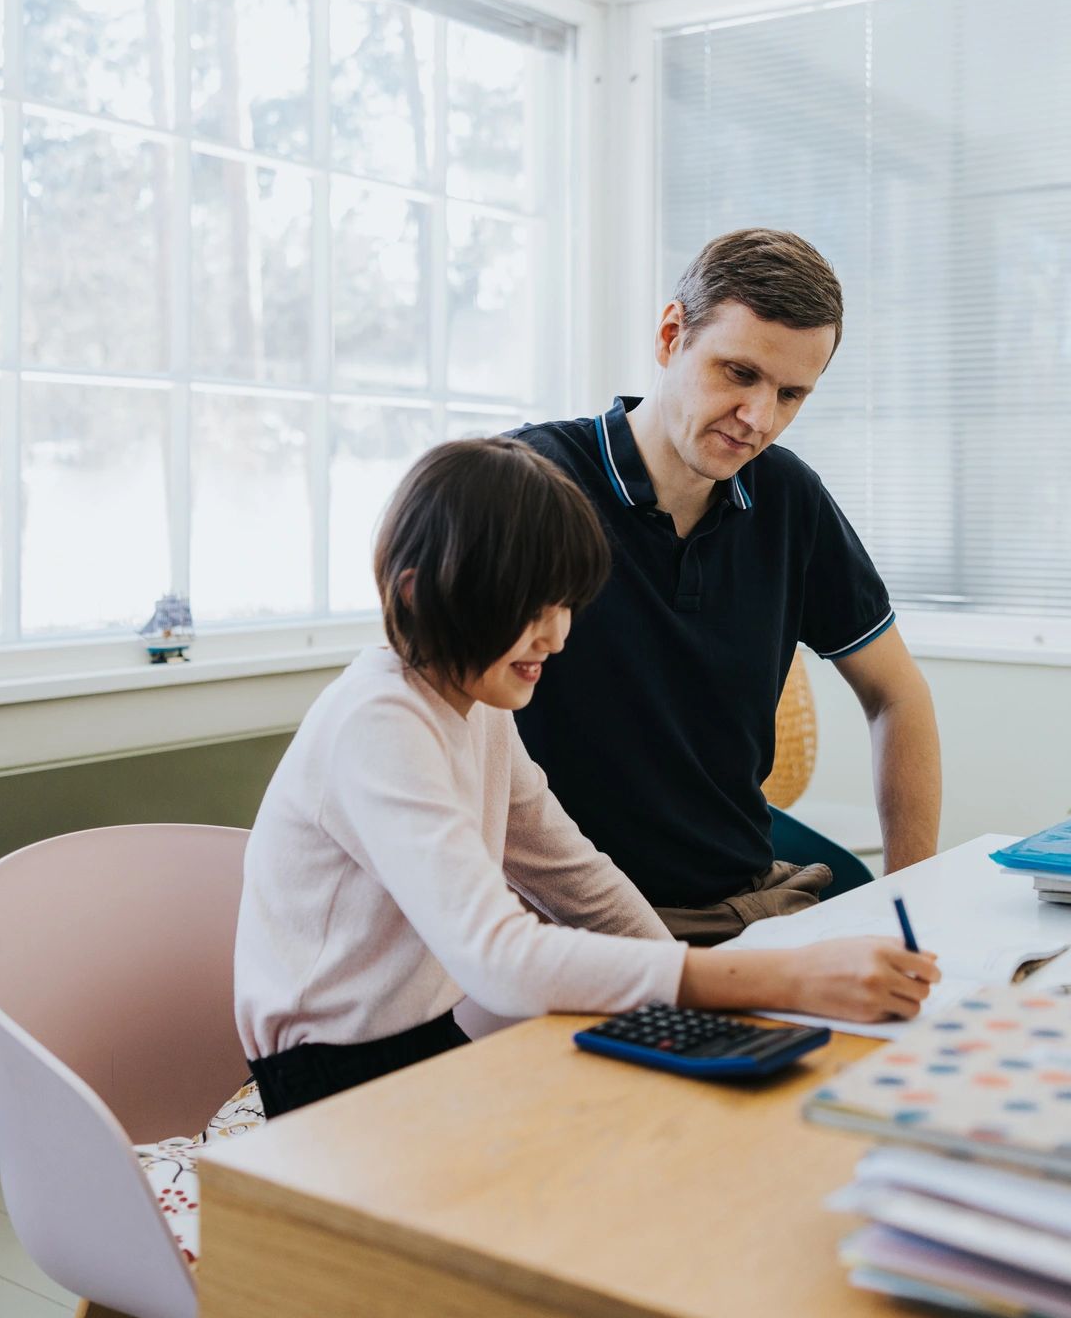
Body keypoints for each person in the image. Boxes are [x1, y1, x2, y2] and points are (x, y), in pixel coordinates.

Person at [232, 437, 940, 1117]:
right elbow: (498, 957)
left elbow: (576, 878)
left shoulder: (474, 708)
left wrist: (698, 1007)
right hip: (326, 1077)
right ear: (420, 596)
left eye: (565, 605)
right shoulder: (379, 721)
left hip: (420, 1042)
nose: (558, 635)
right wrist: (783, 977)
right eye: (531, 610)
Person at [513, 229, 943, 945]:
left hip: (744, 907)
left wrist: (912, 906)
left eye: (791, 394)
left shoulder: (789, 500)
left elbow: (898, 694)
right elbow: (442, 717)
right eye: (739, 373)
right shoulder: (530, 481)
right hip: (569, 925)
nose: (759, 419)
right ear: (670, 333)